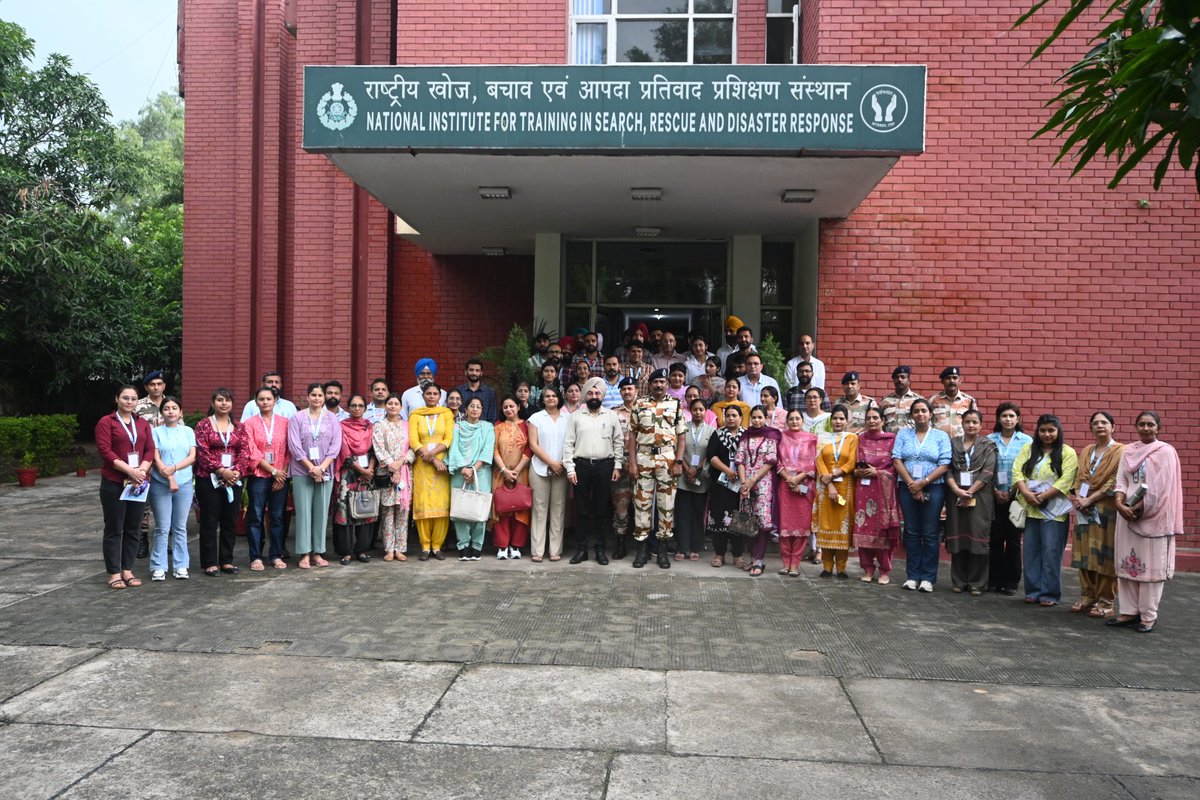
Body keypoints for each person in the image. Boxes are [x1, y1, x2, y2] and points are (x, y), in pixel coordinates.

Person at [1108, 411, 1182, 634]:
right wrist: (1120, 504)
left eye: (1150, 424)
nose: (1146, 428)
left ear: (1158, 427)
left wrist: (1138, 509)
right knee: (1127, 564)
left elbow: (1161, 488)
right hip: (1126, 514)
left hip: (1154, 515)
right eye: (1141, 424)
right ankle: (1129, 611)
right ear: (1136, 426)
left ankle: (1148, 615)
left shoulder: (1166, 452)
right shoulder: (1129, 450)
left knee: (1149, 568)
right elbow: (1121, 479)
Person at [1012, 414, 1079, 607]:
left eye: (1051, 430)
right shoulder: (1029, 449)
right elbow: (1017, 471)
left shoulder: (1067, 452)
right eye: (1043, 430)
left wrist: (1043, 496)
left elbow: (1066, 480)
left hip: (1054, 512)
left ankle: (1050, 593)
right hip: (1030, 508)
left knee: (1051, 552)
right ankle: (1033, 591)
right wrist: (1026, 494)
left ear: (1058, 431)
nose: (1047, 434)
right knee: (1031, 551)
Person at [95, 385, 156, 589]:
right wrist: (130, 471)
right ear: (117, 399)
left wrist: (142, 470)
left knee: (134, 527)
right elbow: (106, 451)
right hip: (115, 482)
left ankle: (127, 569)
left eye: (133, 398)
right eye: (125, 398)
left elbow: (150, 448)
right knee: (114, 528)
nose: (129, 402)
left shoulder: (142, 423)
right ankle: (113, 572)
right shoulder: (107, 422)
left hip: (138, 483)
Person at [892, 398, 952, 592]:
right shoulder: (903, 434)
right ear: (912, 415)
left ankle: (927, 578)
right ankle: (912, 576)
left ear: (930, 413)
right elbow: (896, 459)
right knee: (911, 531)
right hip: (907, 487)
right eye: (916, 411)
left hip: (933, 487)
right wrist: (912, 484)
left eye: (924, 411)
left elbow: (944, 464)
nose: (920, 414)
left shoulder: (940, 436)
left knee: (930, 532)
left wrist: (923, 483)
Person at [630, 369, 687, 569]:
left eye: (663, 382)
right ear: (650, 384)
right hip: (644, 456)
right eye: (656, 382)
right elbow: (632, 435)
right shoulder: (639, 404)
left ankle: (662, 551)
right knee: (642, 504)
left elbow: (681, 436)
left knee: (666, 504)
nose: (659, 385)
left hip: (667, 459)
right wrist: (633, 463)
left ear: (667, 383)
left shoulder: (676, 404)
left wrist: (679, 462)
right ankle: (642, 550)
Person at [1069, 411, 1124, 617]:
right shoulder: (1086, 450)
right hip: (1084, 509)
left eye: (1104, 422)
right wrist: (1077, 498)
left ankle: (1106, 600)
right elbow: (1078, 477)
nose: (1099, 425)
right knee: (1084, 552)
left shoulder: (1121, 451)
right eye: (1095, 423)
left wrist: (1090, 499)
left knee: (1104, 554)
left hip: (1106, 508)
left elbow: (1115, 481)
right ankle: (1088, 595)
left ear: (1113, 426)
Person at [564, 378, 624, 564]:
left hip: (604, 466)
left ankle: (600, 549)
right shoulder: (576, 416)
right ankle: (582, 549)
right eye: (590, 393)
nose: (594, 396)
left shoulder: (611, 416)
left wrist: (617, 465)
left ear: (602, 395)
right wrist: (570, 468)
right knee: (581, 511)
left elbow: (618, 442)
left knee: (601, 510)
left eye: (597, 393)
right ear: (585, 395)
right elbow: (568, 443)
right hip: (580, 466)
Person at [195, 388, 252, 577]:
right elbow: (202, 453)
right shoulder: (204, 425)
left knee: (229, 521)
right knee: (210, 521)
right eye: (220, 400)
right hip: (209, 479)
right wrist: (221, 471)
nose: (224, 403)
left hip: (233, 480)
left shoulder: (238, 426)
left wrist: (235, 472)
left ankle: (226, 560)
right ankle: (209, 563)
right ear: (213, 403)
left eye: (227, 400)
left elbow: (245, 451)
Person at [287, 383, 342, 569]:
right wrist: (311, 467)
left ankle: (318, 552)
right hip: (303, 471)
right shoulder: (297, 418)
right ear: (307, 397)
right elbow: (294, 446)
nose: (317, 398)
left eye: (320, 395)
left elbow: (336, 446)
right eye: (313, 395)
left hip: (325, 471)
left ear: (324, 398)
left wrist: (322, 467)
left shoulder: (332, 418)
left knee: (321, 512)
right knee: (303, 513)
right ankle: (304, 553)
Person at [944, 409, 998, 594]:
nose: (971, 425)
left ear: (981, 425)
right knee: (958, 537)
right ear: (962, 423)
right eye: (968, 421)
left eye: (975, 422)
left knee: (977, 538)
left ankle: (977, 582)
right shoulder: (953, 444)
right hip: (955, 496)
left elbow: (988, 472)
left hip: (980, 497)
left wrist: (970, 491)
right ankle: (958, 581)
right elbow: (947, 468)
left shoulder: (988, 445)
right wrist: (957, 491)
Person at [986, 402, 1033, 595]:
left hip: (1018, 496)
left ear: (1018, 419)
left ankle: (1012, 581)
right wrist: (996, 490)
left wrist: (1013, 490)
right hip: (993, 496)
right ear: (998, 418)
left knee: (1013, 540)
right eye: (1004, 416)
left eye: (1012, 416)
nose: (1008, 419)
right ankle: (994, 579)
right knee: (995, 539)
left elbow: (1028, 469)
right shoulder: (989, 440)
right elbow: (985, 468)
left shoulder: (1027, 441)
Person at [147, 396, 194, 581]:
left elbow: (192, 456)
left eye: (175, 408)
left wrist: (174, 469)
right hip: (160, 483)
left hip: (184, 482)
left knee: (180, 527)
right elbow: (155, 456)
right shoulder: (155, 432)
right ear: (162, 412)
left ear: (180, 412)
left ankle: (181, 565)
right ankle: (159, 566)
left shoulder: (188, 431)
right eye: (167, 408)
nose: (171, 411)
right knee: (162, 527)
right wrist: (167, 474)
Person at [243, 386, 291, 571]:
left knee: (277, 517)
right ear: (256, 402)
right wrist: (272, 471)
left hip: (280, 476)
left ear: (275, 401)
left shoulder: (285, 422)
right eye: (261, 399)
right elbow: (251, 452)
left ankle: (276, 555)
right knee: (255, 516)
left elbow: (289, 450)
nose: (265, 402)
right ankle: (255, 556)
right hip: (259, 476)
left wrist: (282, 474)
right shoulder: (250, 424)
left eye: (268, 399)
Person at [852, 406, 901, 584]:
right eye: (869, 418)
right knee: (863, 525)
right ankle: (867, 569)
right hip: (863, 490)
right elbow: (855, 461)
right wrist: (858, 472)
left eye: (875, 418)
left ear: (883, 420)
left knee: (883, 529)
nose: (872, 421)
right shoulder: (860, 439)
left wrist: (877, 473)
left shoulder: (892, 440)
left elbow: (895, 465)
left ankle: (884, 571)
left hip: (884, 491)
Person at [409, 382, 455, 560]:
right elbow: (414, 440)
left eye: (435, 393)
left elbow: (448, 438)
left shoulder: (446, 413)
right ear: (423, 395)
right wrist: (431, 458)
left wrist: (435, 456)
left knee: (440, 504)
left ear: (440, 396)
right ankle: (425, 546)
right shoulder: (415, 415)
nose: (431, 396)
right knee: (423, 503)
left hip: (442, 465)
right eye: (428, 393)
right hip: (422, 464)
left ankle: (437, 546)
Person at [813, 405, 858, 579]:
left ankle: (841, 568)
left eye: (841, 418)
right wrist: (829, 482)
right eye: (835, 418)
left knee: (842, 526)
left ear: (847, 421)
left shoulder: (852, 438)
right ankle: (826, 566)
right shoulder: (823, 438)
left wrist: (834, 474)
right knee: (825, 525)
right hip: (825, 488)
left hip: (845, 486)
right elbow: (819, 461)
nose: (838, 422)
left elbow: (852, 461)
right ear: (830, 421)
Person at [448, 397, 495, 561]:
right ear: (466, 409)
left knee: (479, 508)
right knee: (461, 509)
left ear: (482, 410)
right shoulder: (457, 427)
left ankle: (477, 546)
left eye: (479, 407)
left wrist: (473, 469)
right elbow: (453, 449)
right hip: (459, 472)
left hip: (480, 472)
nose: (475, 409)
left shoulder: (487, 427)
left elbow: (487, 450)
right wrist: (463, 469)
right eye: (472, 406)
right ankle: (463, 545)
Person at [332, 395, 378, 565]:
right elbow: (344, 452)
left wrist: (370, 470)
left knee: (365, 510)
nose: (357, 408)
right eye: (353, 405)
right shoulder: (342, 426)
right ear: (348, 408)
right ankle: (346, 551)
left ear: (365, 408)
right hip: (348, 473)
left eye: (360, 405)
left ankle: (362, 550)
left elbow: (374, 450)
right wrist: (361, 470)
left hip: (368, 473)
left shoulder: (370, 426)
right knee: (345, 512)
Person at [527, 385, 570, 562]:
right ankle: (537, 551)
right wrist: (551, 462)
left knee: (558, 509)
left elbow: (571, 442)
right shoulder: (535, 418)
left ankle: (555, 550)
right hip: (539, 468)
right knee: (539, 509)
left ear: (559, 398)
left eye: (553, 396)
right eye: (547, 396)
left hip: (562, 468)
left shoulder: (568, 418)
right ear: (542, 399)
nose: (551, 398)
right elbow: (533, 445)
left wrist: (560, 463)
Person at [737, 406, 781, 577]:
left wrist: (752, 480)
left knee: (762, 522)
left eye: (760, 417)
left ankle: (759, 560)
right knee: (747, 522)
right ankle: (752, 557)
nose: (756, 420)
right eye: (753, 417)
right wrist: (743, 483)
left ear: (765, 418)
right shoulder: (745, 436)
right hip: (745, 484)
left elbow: (770, 462)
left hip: (763, 483)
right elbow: (740, 460)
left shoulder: (771, 436)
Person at [776, 409, 818, 576]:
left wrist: (798, 478)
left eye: (797, 418)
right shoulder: (781, 438)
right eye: (791, 419)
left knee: (801, 527)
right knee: (785, 526)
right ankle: (786, 563)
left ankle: (795, 564)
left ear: (802, 421)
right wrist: (789, 478)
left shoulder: (812, 439)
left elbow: (814, 464)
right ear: (787, 421)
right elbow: (777, 461)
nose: (794, 421)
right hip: (785, 486)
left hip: (804, 487)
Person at [372, 392, 413, 562]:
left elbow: (413, 448)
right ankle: (389, 549)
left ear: (401, 407)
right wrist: (393, 468)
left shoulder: (408, 426)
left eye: (396, 404)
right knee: (388, 511)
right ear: (386, 406)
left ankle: (400, 548)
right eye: (390, 403)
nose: (393, 406)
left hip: (405, 473)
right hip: (386, 474)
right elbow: (378, 449)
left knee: (402, 512)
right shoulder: (379, 425)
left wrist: (401, 462)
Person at [707, 405, 748, 569]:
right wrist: (728, 471)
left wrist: (740, 475)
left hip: (742, 484)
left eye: (734, 415)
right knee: (719, 517)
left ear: (740, 417)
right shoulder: (717, 434)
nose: (731, 418)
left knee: (739, 518)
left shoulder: (746, 435)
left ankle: (738, 556)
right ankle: (719, 554)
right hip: (721, 483)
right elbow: (711, 456)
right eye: (728, 415)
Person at [676, 397, 715, 562]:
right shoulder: (683, 428)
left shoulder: (711, 431)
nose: (698, 412)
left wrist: (697, 469)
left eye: (701, 409)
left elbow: (711, 454)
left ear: (706, 411)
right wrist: (687, 469)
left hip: (701, 478)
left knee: (698, 514)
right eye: (695, 409)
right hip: (684, 477)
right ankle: (682, 547)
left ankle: (695, 548)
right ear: (689, 411)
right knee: (682, 513)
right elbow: (678, 449)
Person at [493, 396, 532, 559]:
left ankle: (516, 545)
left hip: (522, 472)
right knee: (501, 508)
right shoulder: (497, 426)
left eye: (511, 406)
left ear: (518, 406)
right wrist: (504, 470)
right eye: (505, 407)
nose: (508, 409)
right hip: (500, 473)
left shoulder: (527, 425)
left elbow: (530, 449)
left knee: (520, 507)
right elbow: (494, 450)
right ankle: (502, 546)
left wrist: (515, 470)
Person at [611, 378, 639, 559]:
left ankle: (643, 544)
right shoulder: (613, 414)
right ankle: (620, 543)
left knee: (644, 506)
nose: (627, 392)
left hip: (642, 466)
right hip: (620, 466)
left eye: (630, 388)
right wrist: (621, 462)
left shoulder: (646, 410)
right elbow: (610, 440)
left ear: (637, 391)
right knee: (620, 507)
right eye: (624, 389)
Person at [929, 366, 976, 438]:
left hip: (961, 444)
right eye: (948, 378)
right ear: (942, 381)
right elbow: (927, 422)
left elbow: (975, 422)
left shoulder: (969, 401)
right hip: (938, 443)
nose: (952, 381)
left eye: (955, 378)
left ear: (960, 380)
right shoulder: (933, 400)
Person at [880, 366, 920, 434]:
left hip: (911, 441)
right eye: (896, 377)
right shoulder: (885, 401)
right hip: (891, 441)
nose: (899, 379)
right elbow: (880, 424)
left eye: (903, 377)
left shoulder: (918, 400)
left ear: (909, 380)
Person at [458, 358, 498, 423]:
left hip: (483, 431)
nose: (474, 373)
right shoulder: (459, 391)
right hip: (462, 430)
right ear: (466, 372)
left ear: (481, 373)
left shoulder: (490, 393)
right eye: (471, 370)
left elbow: (492, 417)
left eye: (477, 370)